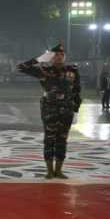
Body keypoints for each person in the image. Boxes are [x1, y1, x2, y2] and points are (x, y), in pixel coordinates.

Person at [17, 43, 81, 179]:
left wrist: (76, 109)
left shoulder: (72, 70)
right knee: (49, 139)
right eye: (56, 55)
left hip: (67, 109)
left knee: (62, 139)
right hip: (49, 108)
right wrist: (40, 58)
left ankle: (59, 170)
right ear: (51, 57)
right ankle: (49, 171)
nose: (59, 57)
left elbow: (77, 91)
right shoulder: (43, 70)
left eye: (61, 55)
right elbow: (21, 67)